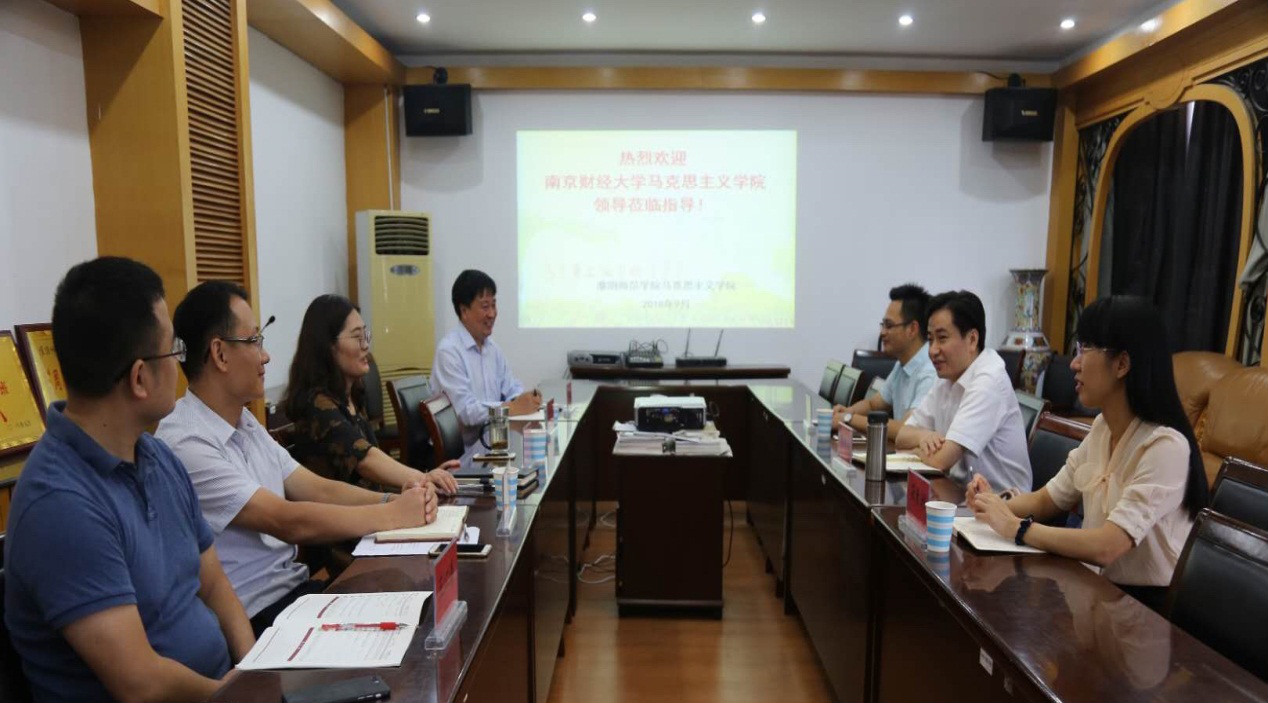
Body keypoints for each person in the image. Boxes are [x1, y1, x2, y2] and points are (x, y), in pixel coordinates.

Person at [4, 257, 254, 702]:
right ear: (140, 378)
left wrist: (255, 671)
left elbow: (214, 583)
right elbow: (139, 683)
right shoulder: (59, 504)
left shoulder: (157, 455)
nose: (179, 363)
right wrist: (231, 695)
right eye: (174, 350)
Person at [156, 281, 438, 636]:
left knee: (419, 599)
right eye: (254, 340)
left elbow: (316, 488)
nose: (266, 356)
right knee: (409, 625)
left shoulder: (244, 421)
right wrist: (391, 516)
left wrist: (393, 501)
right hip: (256, 616)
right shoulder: (186, 440)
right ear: (220, 354)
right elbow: (284, 520)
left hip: (294, 593)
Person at [967, 296, 1209, 613]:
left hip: (1143, 610)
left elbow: (1108, 546)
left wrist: (1017, 527)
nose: (1074, 363)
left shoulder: (1166, 446)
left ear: (1122, 364)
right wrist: (991, 505)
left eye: (1085, 349)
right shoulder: (1102, 428)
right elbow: (1046, 500)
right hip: (1095, 591)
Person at [282, 294, 459, 494]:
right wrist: (422, 478)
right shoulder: (316, 405)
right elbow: (365, 460)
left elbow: (374, 472)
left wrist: (422, 480)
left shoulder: (351, 395)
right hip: (346, 512)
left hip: (372, 505)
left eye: (365, 335)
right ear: (328, 346)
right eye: (357, 337)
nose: (366, 345)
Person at [895, 290, 1032, 490]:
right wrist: (923, 437)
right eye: (930, 339)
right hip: (957, 493)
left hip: (1001, 503)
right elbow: (901, 437)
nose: (933, 350)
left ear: (972, 340)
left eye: (942, 338)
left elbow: (940, 461)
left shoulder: (989, 380)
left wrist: (915, 452)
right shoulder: (947, 377)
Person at [431, 269, 540, 447]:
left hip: (493, 440)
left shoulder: (492, 349)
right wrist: (510, 408)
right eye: (485, 306)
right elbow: (465, 411)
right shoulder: (449, 352)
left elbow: (510, 387)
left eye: (494, 305)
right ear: (464, 311)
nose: (492, 314)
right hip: (464, 452)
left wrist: (524, 399)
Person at [832, 283, 937, 437]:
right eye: (883, 325)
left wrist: (849, 419)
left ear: (912, 329)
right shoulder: (902, 365)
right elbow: (873, 405)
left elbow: (906, 429)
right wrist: (847, 411)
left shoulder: (930, 372)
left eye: (889, 325)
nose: (882, 333)